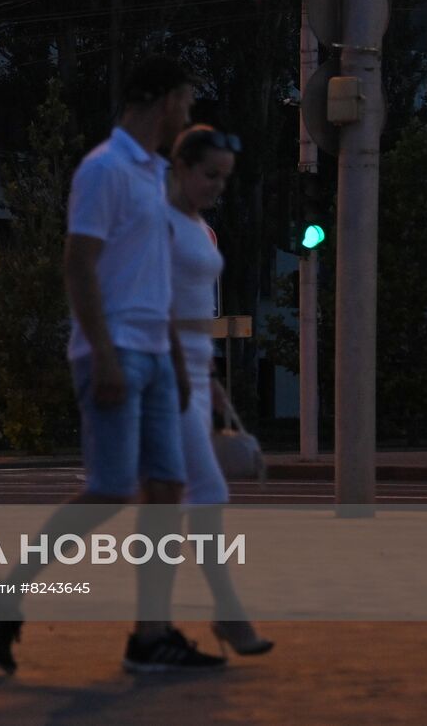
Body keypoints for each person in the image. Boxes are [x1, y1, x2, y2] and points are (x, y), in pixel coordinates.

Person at [0, 55, 225, 675]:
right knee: (112, 486)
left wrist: (179, 365)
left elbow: (153, 274)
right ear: (161, 99)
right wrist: (105, 354)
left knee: (166, 490)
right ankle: (2, 593)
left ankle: (151, 637)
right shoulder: (103, 169)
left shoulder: (157, 176)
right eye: (185, 101)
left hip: (158, 357)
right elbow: (78, 265)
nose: (188, 114)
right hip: (112, 354)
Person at [165, 124, 273, 657]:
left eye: (225, 179)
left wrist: (209, 381)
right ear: (181, 166)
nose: (218, 187)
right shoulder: (157, 223)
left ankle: (220, 617)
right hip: (160, 378)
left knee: (175, 499)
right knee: (182, 496)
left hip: (186, 377)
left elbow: (196, 318)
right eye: (210, 175)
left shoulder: (198, 229)